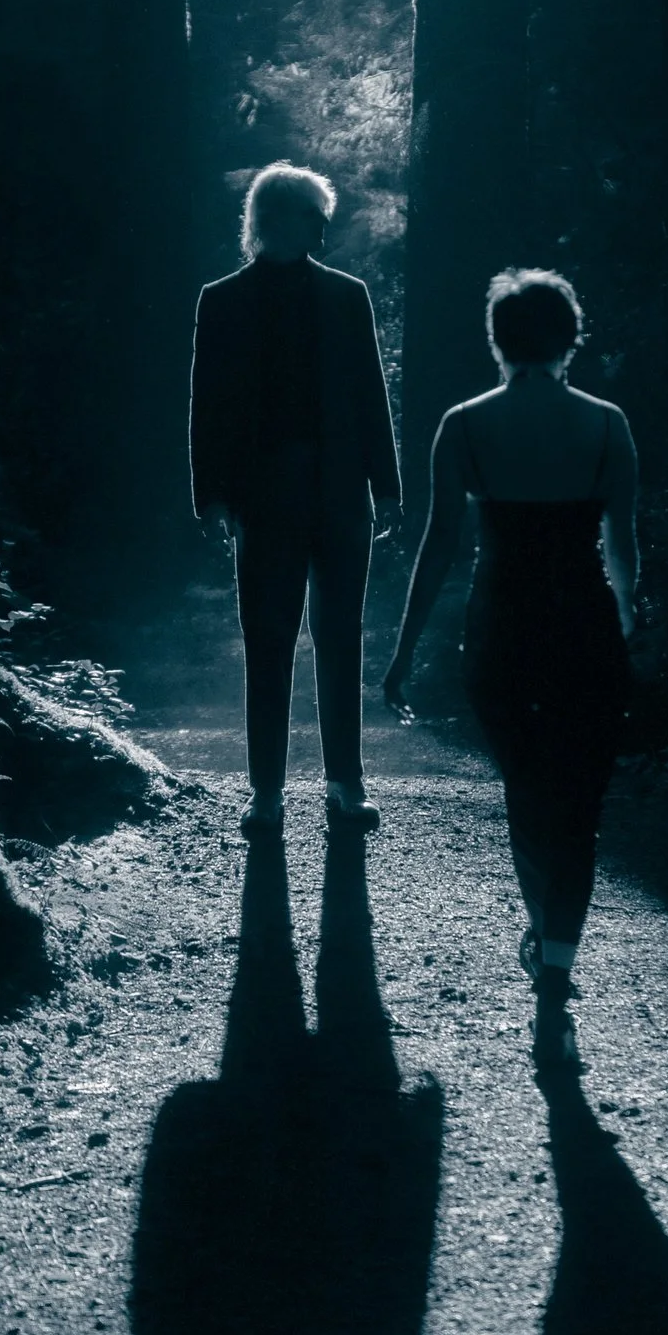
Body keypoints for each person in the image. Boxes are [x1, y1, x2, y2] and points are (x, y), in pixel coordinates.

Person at [382, 268, 636, 1065]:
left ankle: (545, 952)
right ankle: (555, 977)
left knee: (529, 798)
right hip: (587, 634)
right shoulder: (606, 426)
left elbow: (438, 548)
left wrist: (403, 650)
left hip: (504, 634)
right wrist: (631, 637)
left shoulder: (464, 425)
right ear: (571, 336)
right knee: (580, 809)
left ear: (498, 339)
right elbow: (623, 553)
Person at [190, 161, 402, 836]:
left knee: (341, 635)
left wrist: (388, 485)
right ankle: (267, 791)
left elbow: (371, 393)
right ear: (279, 217)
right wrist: (212, 497)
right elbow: (208, 407)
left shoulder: (349, 295)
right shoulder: (219, 300)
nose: (324, 225)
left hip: (340, 489)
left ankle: (346, 782)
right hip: (264, 493)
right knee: (269, 637)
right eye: (315, 214)